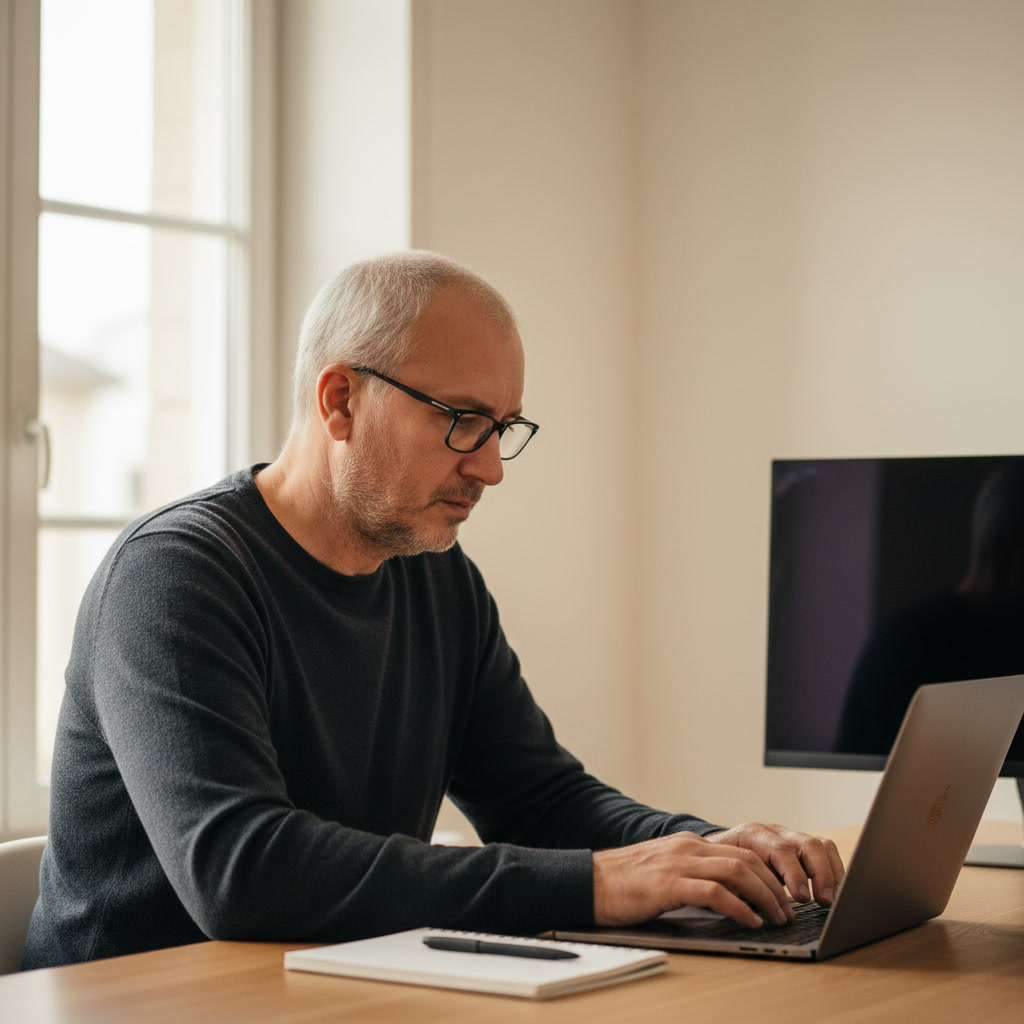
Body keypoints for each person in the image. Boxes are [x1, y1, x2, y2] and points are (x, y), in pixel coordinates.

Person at [23, 251, 843, 969]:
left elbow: (541, 802)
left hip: (326, 992)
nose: (490, 468)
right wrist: (597, 883)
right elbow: (241, 871)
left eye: (502, 427)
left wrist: (707, 851)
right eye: (461, 420)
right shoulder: (176, 576)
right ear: (340, 401)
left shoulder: (438, 580)